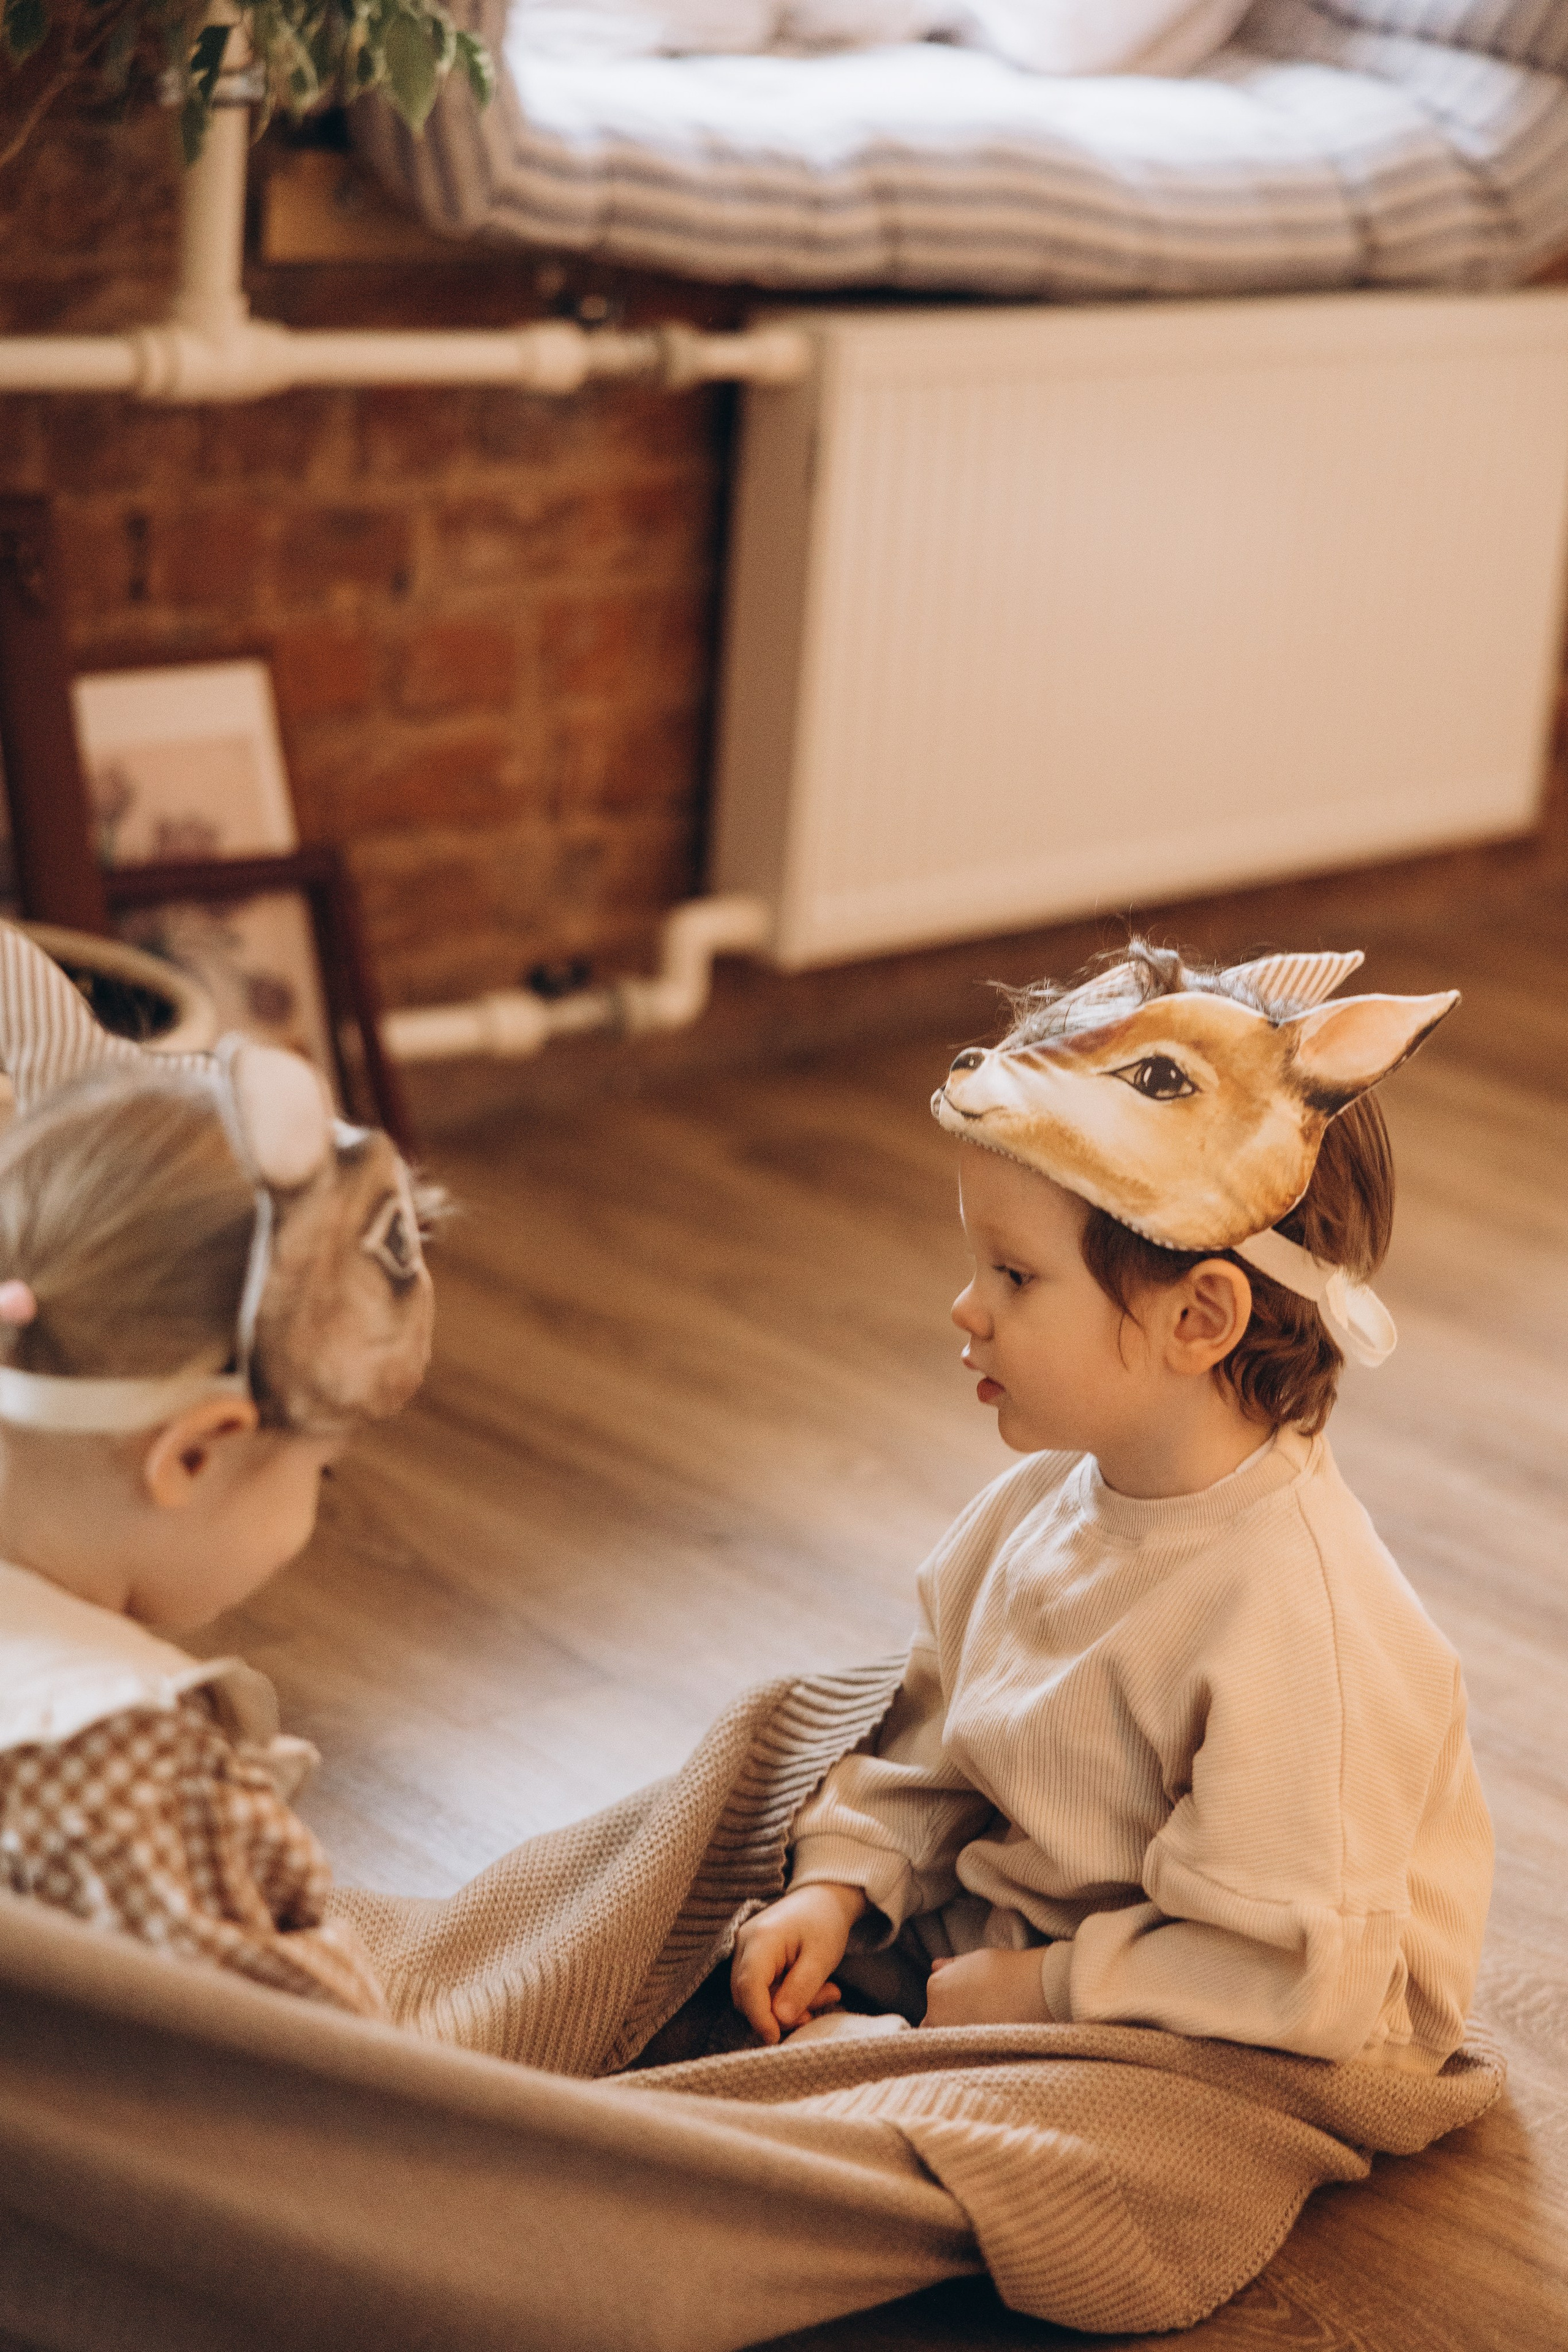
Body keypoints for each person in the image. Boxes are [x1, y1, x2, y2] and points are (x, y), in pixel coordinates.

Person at [731, 941, 1493, 2071]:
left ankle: (867, 2089)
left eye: (1015, 1277)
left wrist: (1046, 1990)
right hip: (1021, 1946)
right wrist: (843, 1885)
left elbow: (1298, 1972)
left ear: (1200, 1320)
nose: (966, 1308)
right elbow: (938, 1743)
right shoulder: (1027, 1513)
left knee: (1067, 2153)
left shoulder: (1298, 1625)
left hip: (1253, 2017)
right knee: (727, 1799)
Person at [0, 925, 435, 2015]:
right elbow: (347, 2081)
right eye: (317, 1474)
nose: (309, 1513)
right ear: (192, 1451)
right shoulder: (127, 1769)